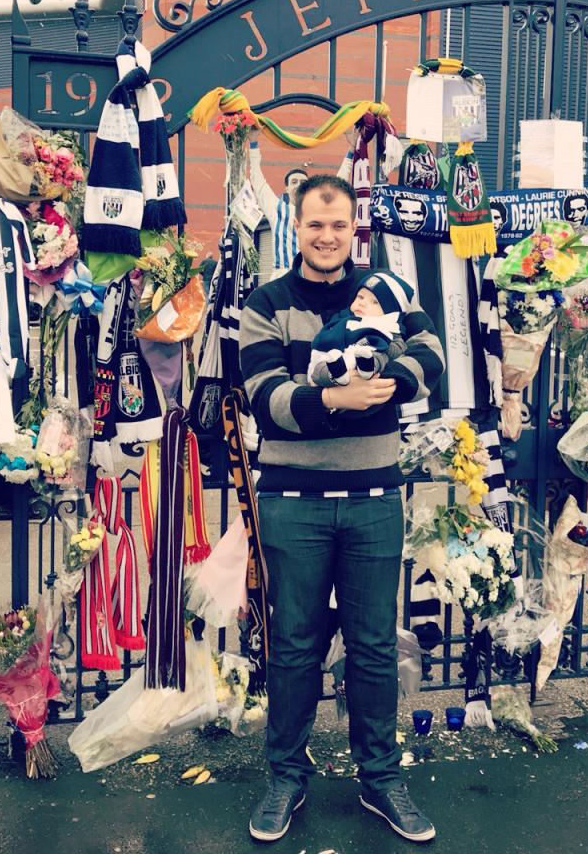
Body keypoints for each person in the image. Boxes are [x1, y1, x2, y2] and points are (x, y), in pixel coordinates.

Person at [239, 174, 445, 844]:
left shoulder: (384, 290)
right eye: (313, 225)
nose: (325, 237)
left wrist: (386, 390)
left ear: (353, 228)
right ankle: (285, 777)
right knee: (295, 648)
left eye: (337, 226)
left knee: (374, 648)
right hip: (292, 504)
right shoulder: (267, 302)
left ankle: (381, 778)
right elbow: (263, 394)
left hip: (373, 500)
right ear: (295, 226)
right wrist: (331, 402)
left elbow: (432, 350)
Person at [306, 270, 413, 386]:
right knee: (322, 366)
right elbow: (328, 332)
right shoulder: (344, 318)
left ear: (389, 312)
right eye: (360, 297)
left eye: (375, 302)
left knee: (381, 357)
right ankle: (336, 375)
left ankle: (367, 367)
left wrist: (383, 345)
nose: (362, 303)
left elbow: (399, 347)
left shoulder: (388, 327)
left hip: (367, 358)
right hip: (336, 358)